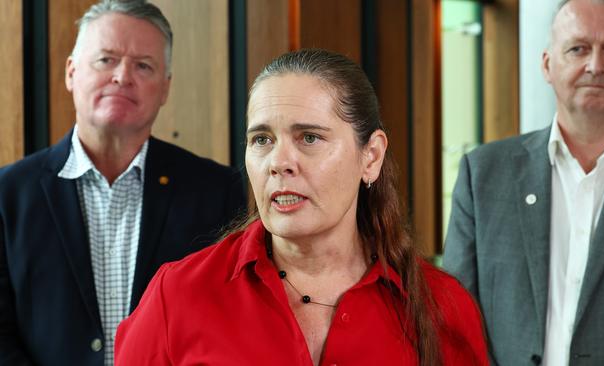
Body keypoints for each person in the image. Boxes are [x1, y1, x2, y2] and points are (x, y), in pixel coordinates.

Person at [114, 48, 488, 365]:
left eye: (309, 137)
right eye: (261, 139)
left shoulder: (441, 305)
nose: (279, 162)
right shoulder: (177, 294)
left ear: (370, 156)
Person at [0, 1, 246, 365]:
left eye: (143, 65)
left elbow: (230, 322)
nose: (122, 76)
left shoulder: (216, 191)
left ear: (165, 89)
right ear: (71, 72)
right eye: (106, 60)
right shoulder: (9, 195)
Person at [443, 0, 604, 365]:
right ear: (547, 64)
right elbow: (455, 326)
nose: (595, 65)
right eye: (578, 48)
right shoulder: (484, 175)